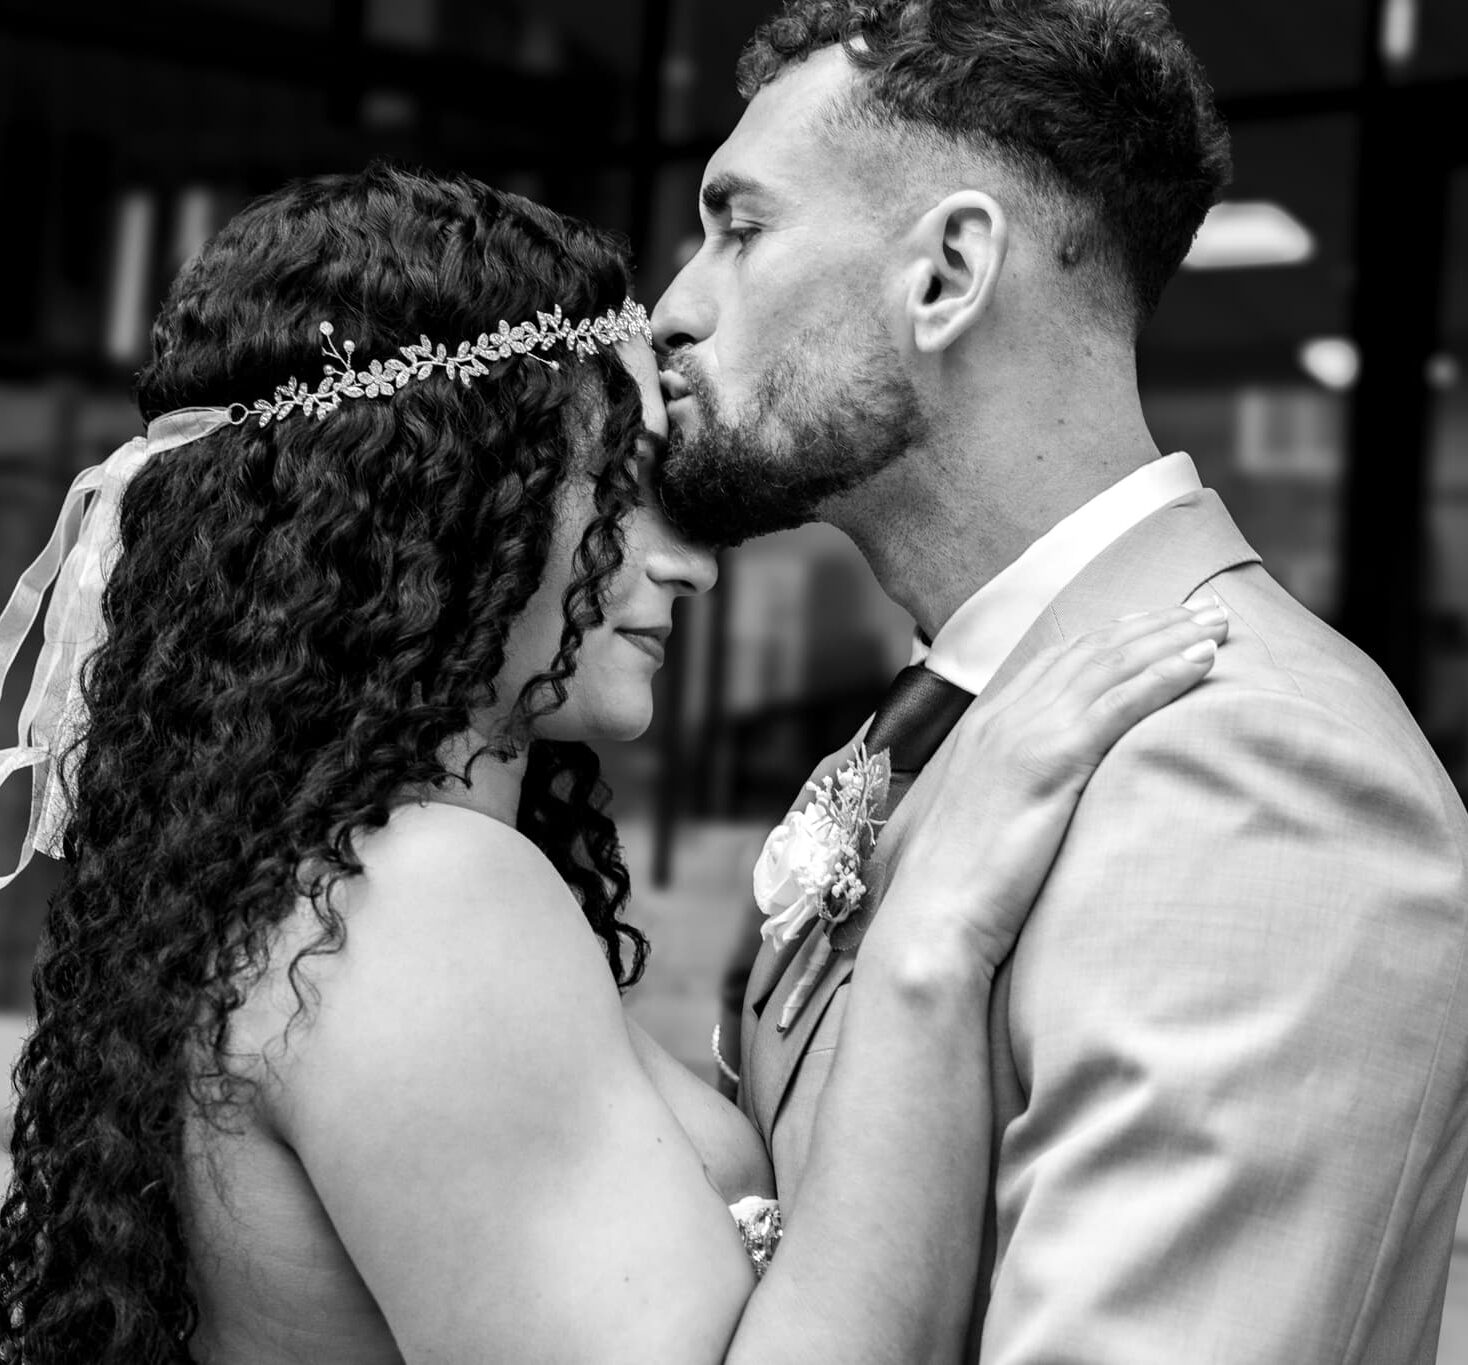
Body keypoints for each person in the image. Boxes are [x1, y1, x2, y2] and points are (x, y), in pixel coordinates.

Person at [0, 163, 1228, 1363]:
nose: (688, 560)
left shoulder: (319, 878)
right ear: (444, 504)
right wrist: (936, 940)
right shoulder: (418, 900)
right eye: (618, 483)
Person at [651, 1, 1468, 1361]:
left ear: (948, 271)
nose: (675, 308)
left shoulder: (1250, 768)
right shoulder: (937, 727)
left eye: (739, 228)